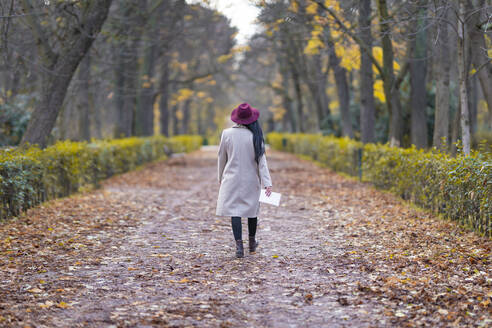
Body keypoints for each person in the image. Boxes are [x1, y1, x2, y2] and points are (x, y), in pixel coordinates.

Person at [216, 103, 273, 258]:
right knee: (252, 211)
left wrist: (220, 177)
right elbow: (262, 162)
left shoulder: (226, 134)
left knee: (235, 212)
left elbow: (221, 158)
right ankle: (252, 243)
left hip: (231, 179)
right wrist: (267, 183)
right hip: (251, 180)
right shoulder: (256, 136)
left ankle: (239, 246)